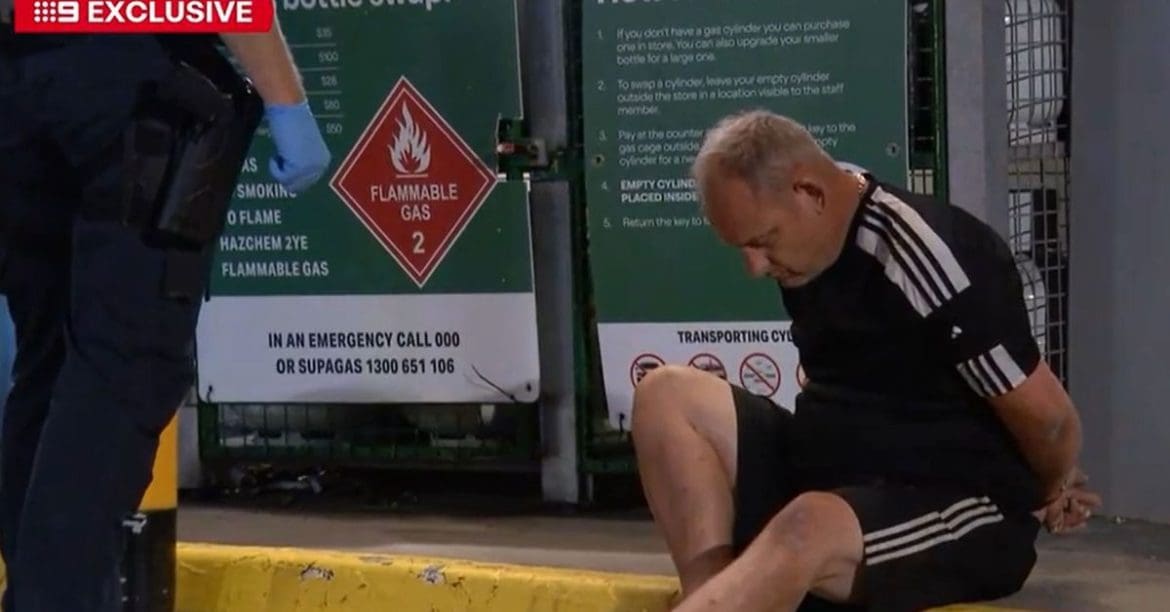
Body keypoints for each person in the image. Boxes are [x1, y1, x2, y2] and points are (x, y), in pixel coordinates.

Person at [631, 109, 1101, 612]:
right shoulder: (811, 234)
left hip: (959, 506)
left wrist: (1050, 489)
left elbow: (1051, 421)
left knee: (807, 525)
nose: (754, 267)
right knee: (665, 393)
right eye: (742, 248)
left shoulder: (927, 254)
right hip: (833, 483)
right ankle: (713, 595)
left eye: (763, 241)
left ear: (809, 193)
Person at [0, 10, 330, 610]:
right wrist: (288, 104)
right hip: (124, 81)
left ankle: (38, 590)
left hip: (15, 82)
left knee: (50, 361)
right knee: (124, 366)